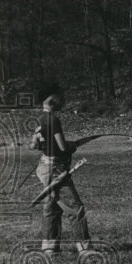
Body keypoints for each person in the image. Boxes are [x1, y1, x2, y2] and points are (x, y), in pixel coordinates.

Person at [33, 84, 92, 254]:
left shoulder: (40, 119)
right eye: (60, 98)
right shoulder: (53, 120)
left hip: (44, 166)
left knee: (52, 207)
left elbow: (33, 144)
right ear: (51, 99)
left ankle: (50, 247)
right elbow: (63, 147)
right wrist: (73, 145)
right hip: (55, 168)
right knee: (75, 207)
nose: (63, 101)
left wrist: (46, 145)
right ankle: (85, 248)